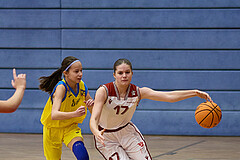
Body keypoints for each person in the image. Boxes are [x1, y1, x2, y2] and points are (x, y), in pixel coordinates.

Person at [90, 58, 212, 160]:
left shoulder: (138, 92)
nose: (124, 76)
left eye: (127, 72)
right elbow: (94, 118)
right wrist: (96, 132)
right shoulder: (104, 91)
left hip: (127, 132)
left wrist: (195, 93)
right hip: (105, 136)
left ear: (132, 73)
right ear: (114, 75)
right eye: (120, 73)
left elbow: (169, 96)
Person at [39, 56, 94, 160]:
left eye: (81, 71)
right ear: (66, 73)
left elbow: (93, 109)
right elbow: (54, 114)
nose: (80, 74)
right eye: (76, 71)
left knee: (83, 155)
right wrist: (75, 114)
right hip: (52, 129)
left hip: (70, 127)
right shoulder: (61, 88)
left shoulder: (81, 86)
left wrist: (92, 105)